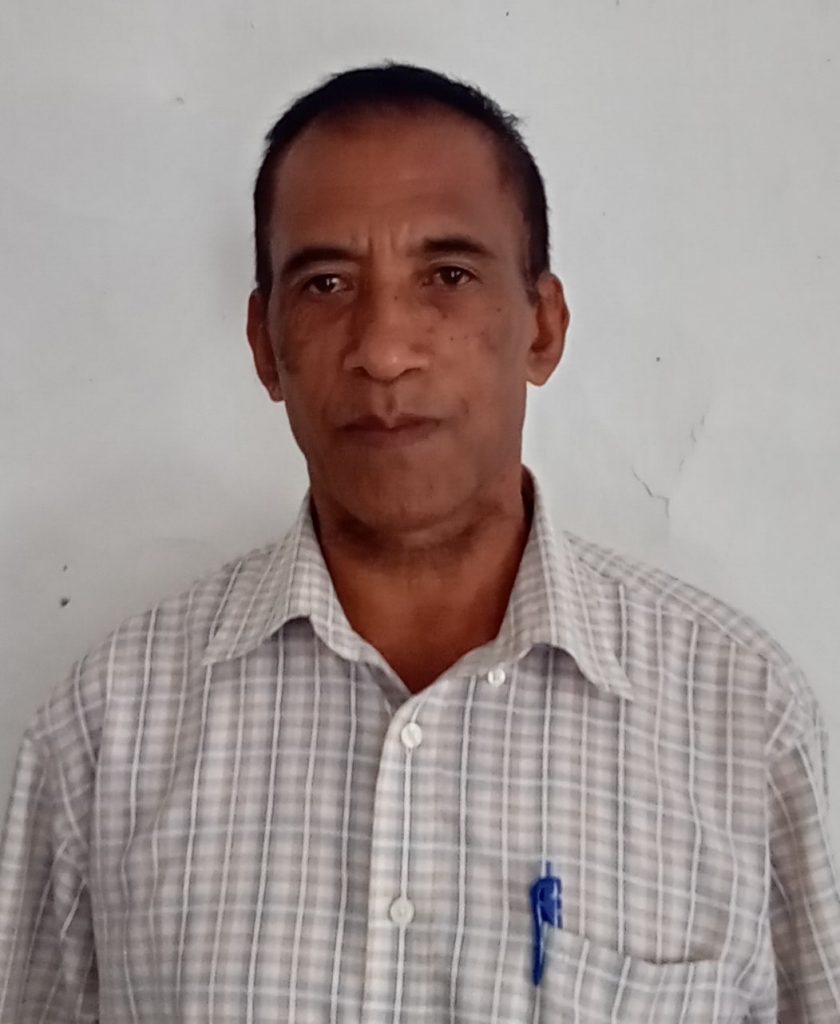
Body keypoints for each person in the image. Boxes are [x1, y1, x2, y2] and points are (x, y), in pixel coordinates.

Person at [0, 62, 838, 1024]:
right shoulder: (104, 729)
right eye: (325, 283)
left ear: (543, 327)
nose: (385, 349)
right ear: (265, 345)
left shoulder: (741, 717)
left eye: (448, 276)